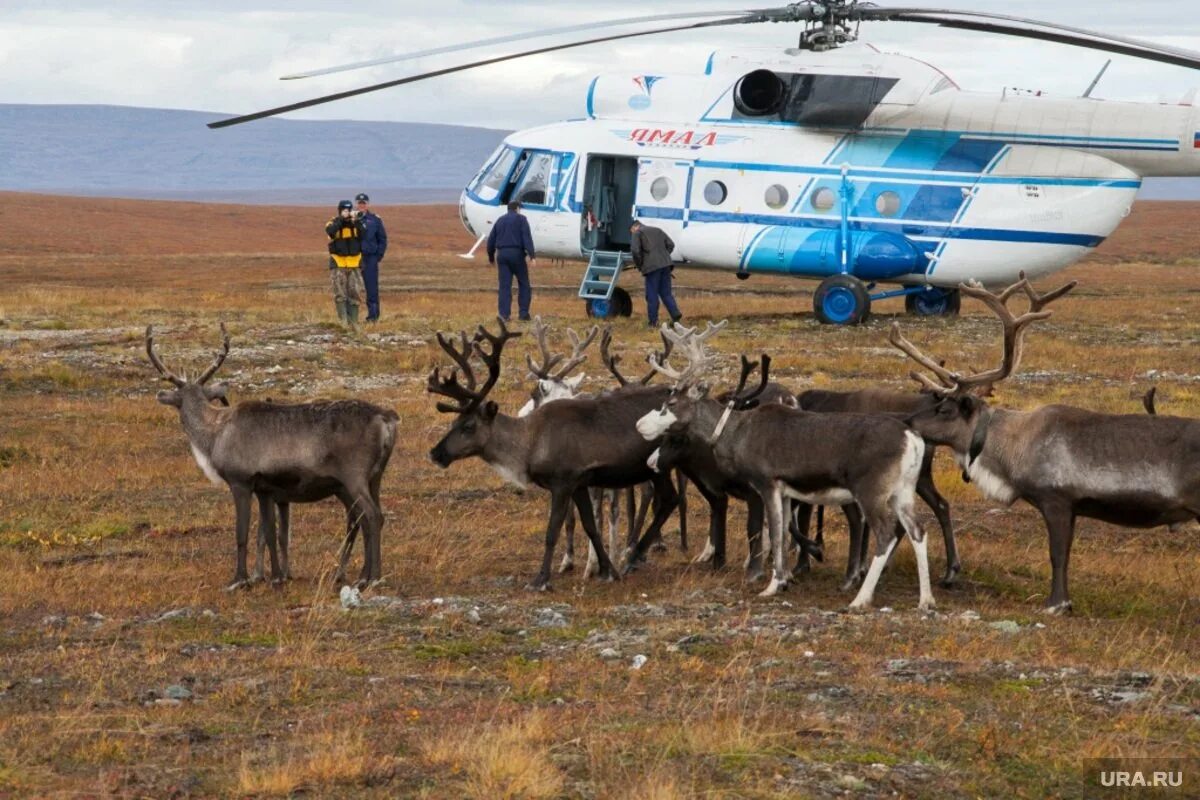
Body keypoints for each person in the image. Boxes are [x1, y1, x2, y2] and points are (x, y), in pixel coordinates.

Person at [486, 200, 537, 321]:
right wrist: (532, 256)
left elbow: (490, 241)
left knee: (504, 286)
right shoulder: (521, 219)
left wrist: (491, 257)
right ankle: (523, 314)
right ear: (517, 208)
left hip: (502, 255)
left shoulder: (500, 220)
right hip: (517, 255)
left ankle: (504, 315)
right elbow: (526, 238)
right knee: (524, 284)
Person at [630, 219, 682, 327]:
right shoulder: (657, 230)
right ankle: (675, 314)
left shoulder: (637, 233)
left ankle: (653, 322)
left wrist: (640, 264)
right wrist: (663, 256)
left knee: (651, 295)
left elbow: (635, 251)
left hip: (652, 268)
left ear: (634, 227)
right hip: (666, 265)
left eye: (631, 231)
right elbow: (671, 244)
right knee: (666, 293)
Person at [326, 199, 367, 327]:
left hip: (354, 263)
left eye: (349, 210)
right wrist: (341, 220)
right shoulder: (332, 222)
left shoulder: (356, 224)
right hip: (338, 263)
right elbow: (330, 231)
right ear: (339, 211)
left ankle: (353, 323)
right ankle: (343, 323)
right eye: (345, 210)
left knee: (354, 293)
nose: (348, 212)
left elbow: (364, 233)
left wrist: (357, 221)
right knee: (340, 293)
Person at [355, 192, 388, 322]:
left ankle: (373, 316)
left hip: (370, 258)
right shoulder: (352, 219)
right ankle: (352, 317)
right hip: (355, 258)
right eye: (359, 203)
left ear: (368, 204)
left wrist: (378, 255)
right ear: (356, 204)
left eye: (364, 203)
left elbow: (382, 239)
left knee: (371, 288)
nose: (362, 205)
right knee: (353, 288)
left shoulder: (375, 220)